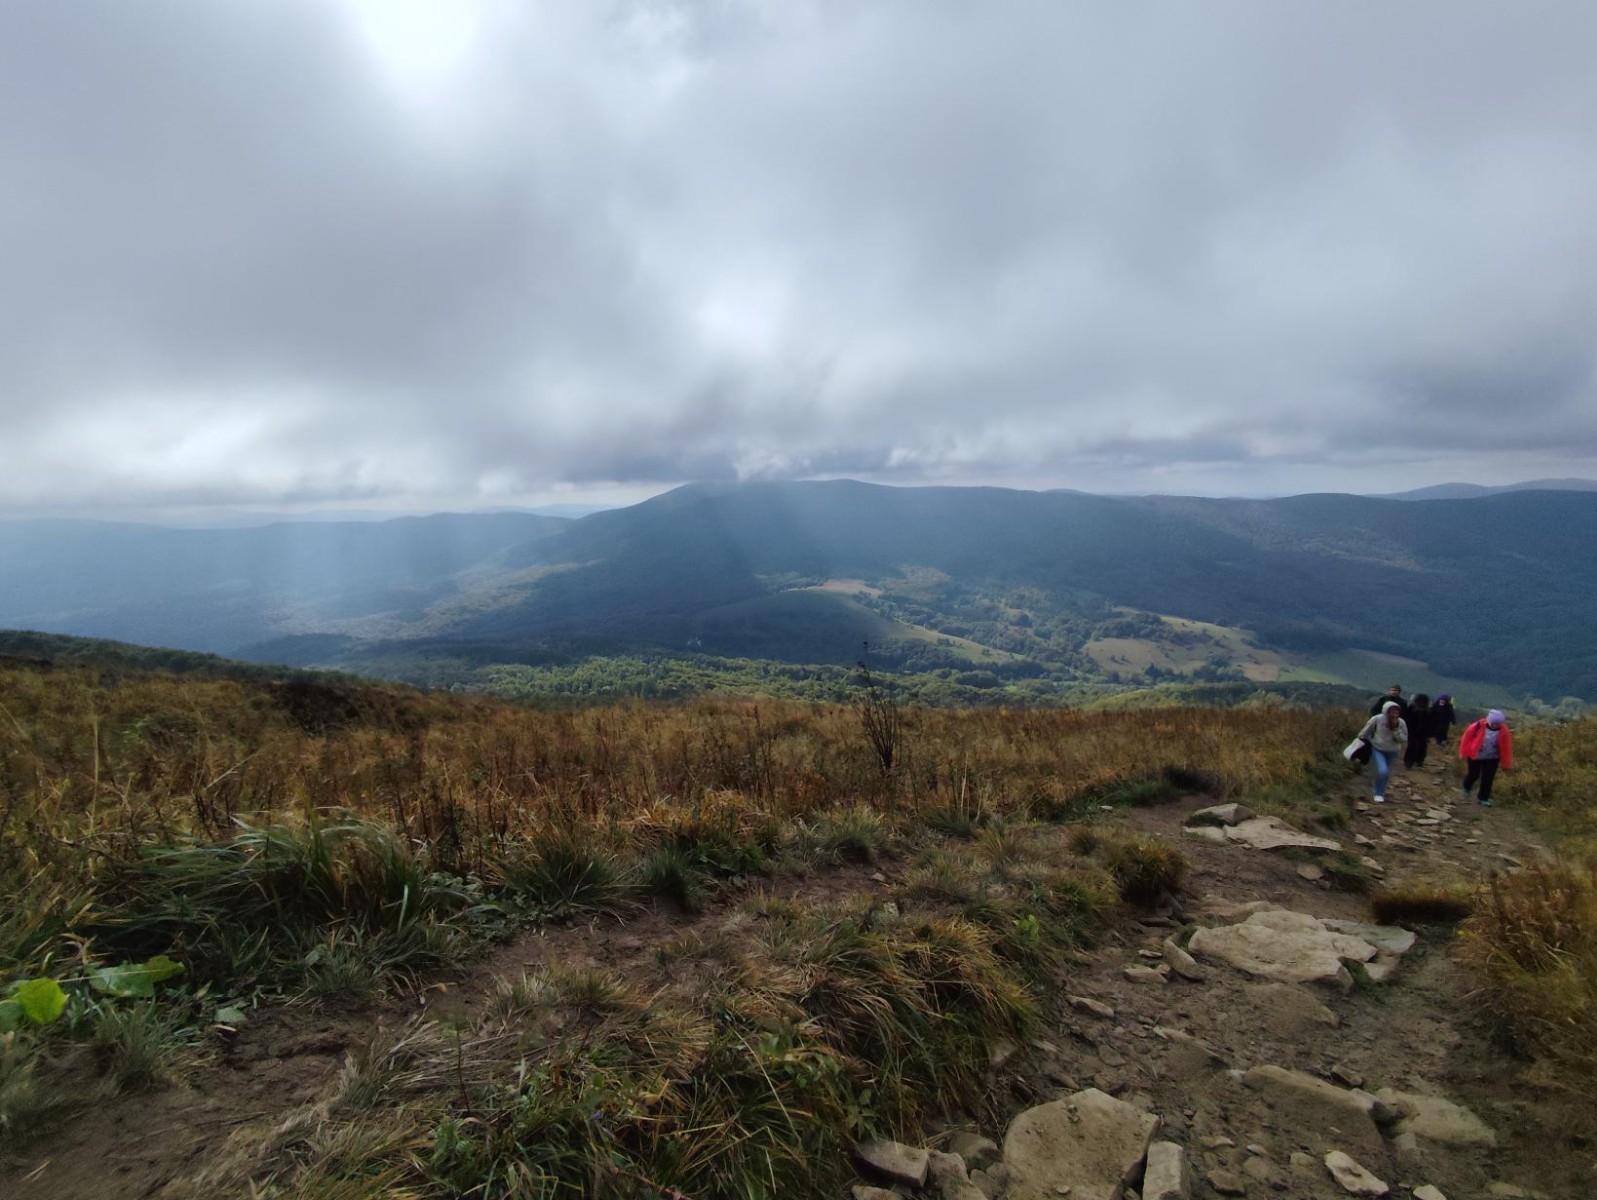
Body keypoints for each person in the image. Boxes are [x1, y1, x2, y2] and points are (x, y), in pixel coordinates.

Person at [1356, 700, 1409, 803]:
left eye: (1396, 712)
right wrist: (1360, 743)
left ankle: (1381, 791)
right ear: (1386, 711)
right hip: (1377, 748)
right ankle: (1378, 793)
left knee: (1386, 773)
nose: (1394, 714)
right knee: (1382, 771)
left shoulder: (1401, 723)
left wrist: (1395, 729)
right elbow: (1365, 732)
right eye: (1391, 711)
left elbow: (1403, 739)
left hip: (1392, 751)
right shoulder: (1377, 719)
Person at [1459, 709, 1514, 806]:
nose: (1494, 726)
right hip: (1475, 756)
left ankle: (1483, 798)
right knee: (1473, 775)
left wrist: (1505, 763)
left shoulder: (1503, 731)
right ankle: (1466, 787)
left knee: (1488, 778)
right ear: (1489, 720)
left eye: (1497, 724)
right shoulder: (1477, 726)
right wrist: (1463, 753)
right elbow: (1466, 739)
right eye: (1493, 723)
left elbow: (1506, 748)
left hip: (1492, 758)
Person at [1404, 694, 1431, 769]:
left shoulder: (1427, 711)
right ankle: (1409, 762)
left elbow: (1430, 722)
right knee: (1413, 746)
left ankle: (1418, 761)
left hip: (1422, 732)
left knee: (1422, 746)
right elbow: (1407, 719)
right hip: (1413, 731)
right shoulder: (1411, 709)